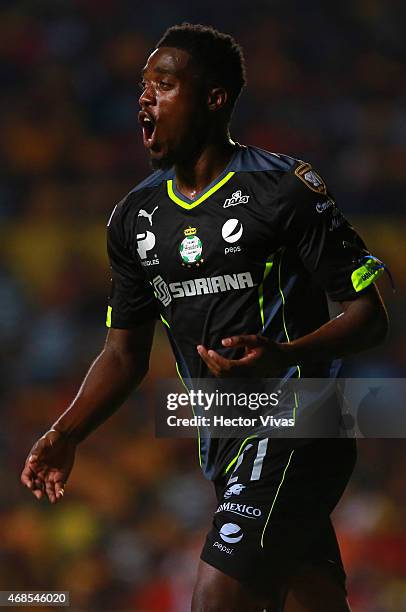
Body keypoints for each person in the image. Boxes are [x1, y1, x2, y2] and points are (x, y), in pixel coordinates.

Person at [21, 24, 389, 612]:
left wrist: (285, 356)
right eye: (143, 86)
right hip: (223, 439)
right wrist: (66, 433)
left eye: (164, 85)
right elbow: (123, 354)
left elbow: (370, 315)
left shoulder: (281, 188)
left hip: (300, 422)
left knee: (216, 598)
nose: (145, 98)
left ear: (214, 99)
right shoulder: (134, 218)